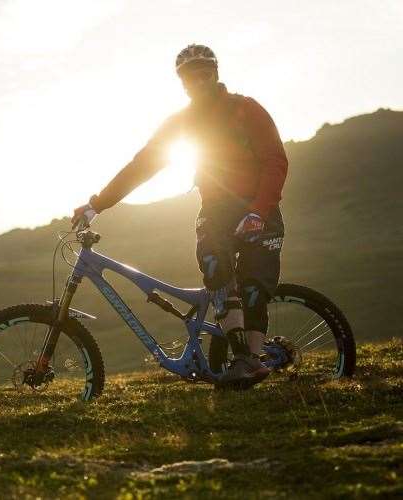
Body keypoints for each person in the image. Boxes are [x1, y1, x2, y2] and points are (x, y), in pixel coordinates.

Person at [71, 44, 288, 388]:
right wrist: (97, 203)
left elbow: (276, 161)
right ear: (183, 84)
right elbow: (142, 165)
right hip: (216, 210)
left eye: (203, 73)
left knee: (253, 284)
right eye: (189, 77)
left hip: (257, 209)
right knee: (215, 268)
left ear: (215, 74)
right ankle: (242, 357)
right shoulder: (181, 123)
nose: (197, 81)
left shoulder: (246, 110)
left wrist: (259, 211)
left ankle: (253, 358)